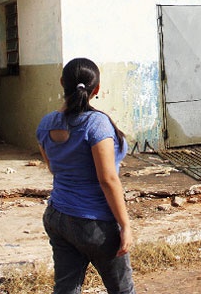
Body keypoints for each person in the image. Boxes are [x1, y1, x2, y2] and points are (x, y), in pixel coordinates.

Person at [37, 57, 136, 294]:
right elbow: (108, 179)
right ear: (97, 89)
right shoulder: (97, 125)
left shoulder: (46, 123)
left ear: (62, 83)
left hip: (57, 216)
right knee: (122, 290)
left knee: (66, 288)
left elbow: (53, 168)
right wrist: (125, 225)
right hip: (94, 223)